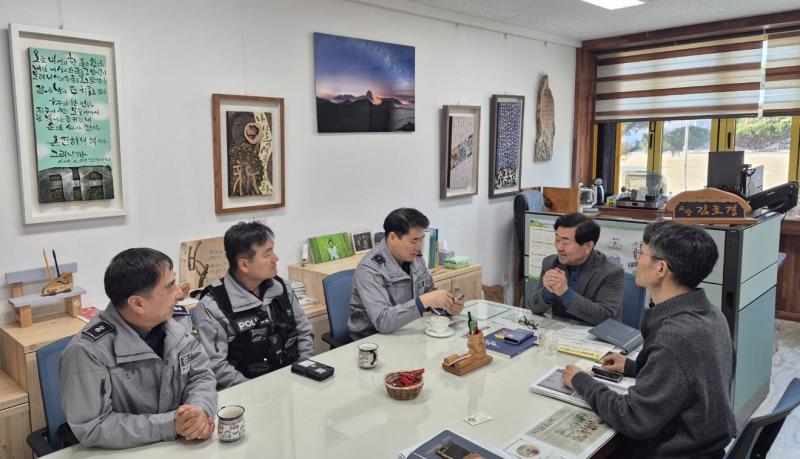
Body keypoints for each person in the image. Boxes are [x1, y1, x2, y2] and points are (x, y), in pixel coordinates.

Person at [562, 221, 736, 458]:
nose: (637, 260)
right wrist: (633, 367)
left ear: (661, 269)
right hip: (702, 443)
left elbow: (634, 418)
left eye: (641, 253)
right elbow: (688, 377)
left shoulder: (675, 335)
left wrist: (582, 382)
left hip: (675, 452)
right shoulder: (710, 313)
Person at [60, 248, 217, 449]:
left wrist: (199, 411)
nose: (179, 293)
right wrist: (170, 425)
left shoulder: (179, 321)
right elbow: (93, 427)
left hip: (180, 445)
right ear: (138, 304)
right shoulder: (87, 352)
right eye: (170, 287)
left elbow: (201, 376)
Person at [193, 221, 314, 389]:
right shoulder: (212, 307)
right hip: (244, 393)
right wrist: (254, 391)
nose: (276, 258)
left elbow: (304, 332)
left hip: (291, 382)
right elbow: (216, 366)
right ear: (244, 265)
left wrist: (302, 369)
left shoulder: (282, 288)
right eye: (267, 254)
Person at [348, 208, 464, 339]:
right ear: (392, 238)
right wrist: (424, 301)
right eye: (413, 241)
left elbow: (429, 291)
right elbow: (383, 321)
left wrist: (446, 306)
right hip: (373, 340)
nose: (419, 247)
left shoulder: (415, 257)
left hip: (408, 330)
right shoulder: (370, 269)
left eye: (421, 240)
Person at [525, 212, 623, 325]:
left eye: (566, 243)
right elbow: (533, 306)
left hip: (597, 338)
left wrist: (565, 293)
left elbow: (605, 318)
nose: (559, 247)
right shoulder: (550, 263)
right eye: (557, 240)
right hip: (563, 335)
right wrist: (547, 291)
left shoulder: (611, 272)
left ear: (588, 246)